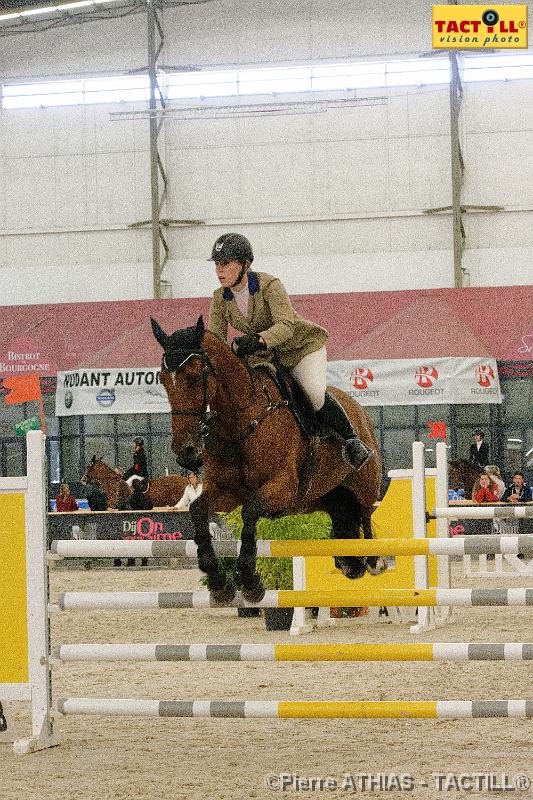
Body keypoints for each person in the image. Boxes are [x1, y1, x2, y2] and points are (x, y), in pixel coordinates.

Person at [207, 232, 373, 470]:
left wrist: (256, 341)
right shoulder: (220, 298)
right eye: (217, 264)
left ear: (245, 264)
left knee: (313, 395)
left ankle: (351, 440)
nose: (219, 270)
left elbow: (286, 325)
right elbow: (216, 339)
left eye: (225, 263)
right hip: (266, 358)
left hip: (299, 349)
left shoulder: (270, 285)